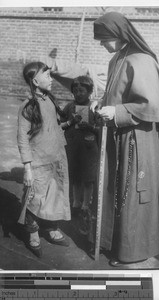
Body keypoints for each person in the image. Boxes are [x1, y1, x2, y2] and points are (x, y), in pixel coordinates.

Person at [91, 12, 159, 266]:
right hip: (120, 135)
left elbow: (149, 106)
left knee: (132, 194)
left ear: (118, 36)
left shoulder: (141, 61)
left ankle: (133, 251)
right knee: (116, 190)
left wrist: (116, 112)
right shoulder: (118, 57)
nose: (102, 44)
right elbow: (117, 94)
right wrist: (103, 103)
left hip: (137, 139)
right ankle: (115, 242)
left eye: (104, 39)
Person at [17, 61, 71, 258]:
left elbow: (54, 127)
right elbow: (22, 139)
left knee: (56, 196)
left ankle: (51, 228)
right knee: (35, 199)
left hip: (56, 158)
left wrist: (70, 122)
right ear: (34, 80)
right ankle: (32, 233)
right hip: (39, 163)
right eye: (46, 75)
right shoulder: (28, 106)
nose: (51, 78)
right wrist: (28, 169)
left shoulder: (50, 100)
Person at [61, 76, 101, 236]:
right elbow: (61, 123)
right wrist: (69, 121)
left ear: (90, 92)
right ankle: (76, 203)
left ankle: (86, 204)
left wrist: (91, 127)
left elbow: (101, 129)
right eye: (75, 91)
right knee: (75, 176)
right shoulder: (70, 107)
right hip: (74, 148)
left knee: (88, 178)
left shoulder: (94, 108)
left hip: (89, 149)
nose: (78, 94)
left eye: (82, 91)